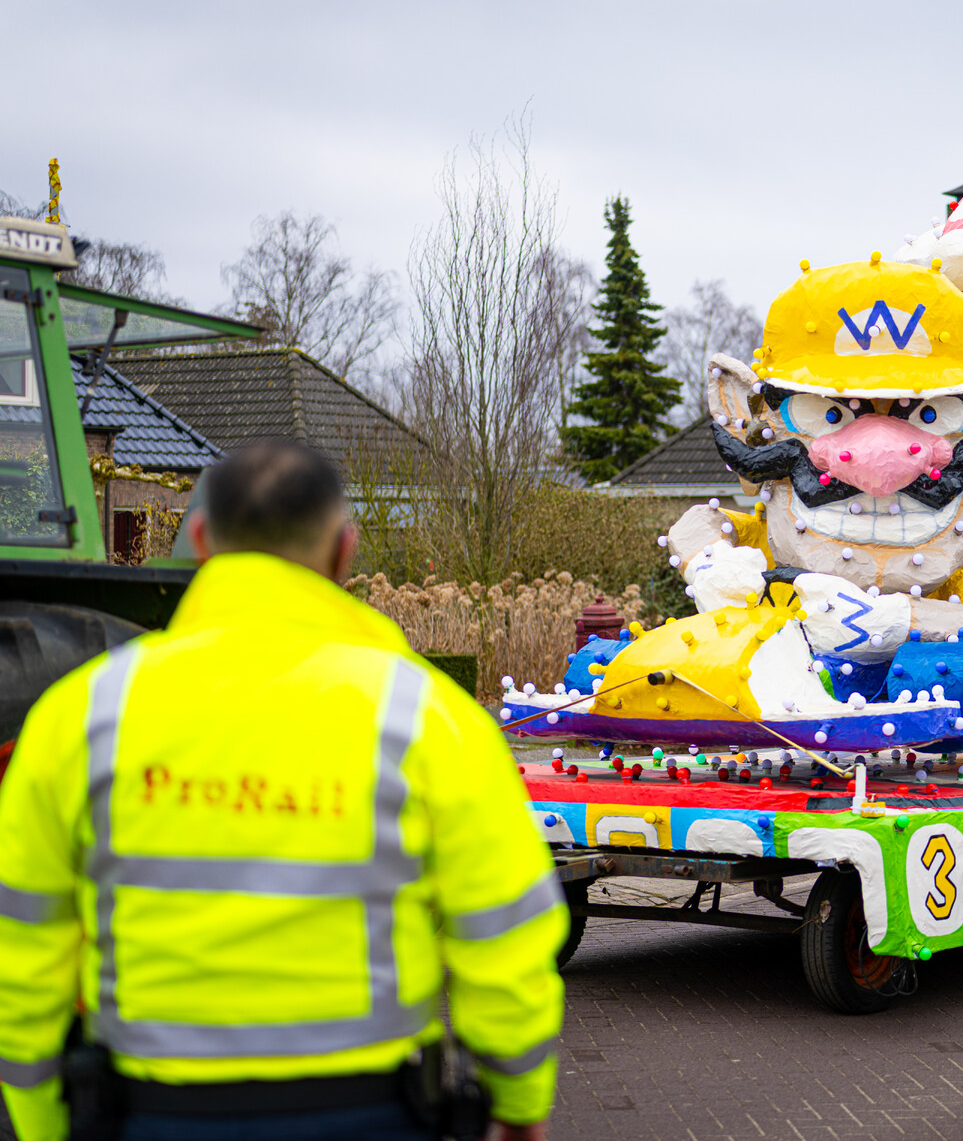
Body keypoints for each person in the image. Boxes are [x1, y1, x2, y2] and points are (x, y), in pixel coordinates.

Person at [0, 441, 564, 1141]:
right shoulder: (427, 716)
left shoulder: (82, 712)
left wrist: (41, 1120)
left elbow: (22, 952)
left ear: (201, 540)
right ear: (344, 552)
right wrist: (519, 1100)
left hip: (150, 1113)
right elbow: (503, 937)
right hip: (370, 1115)